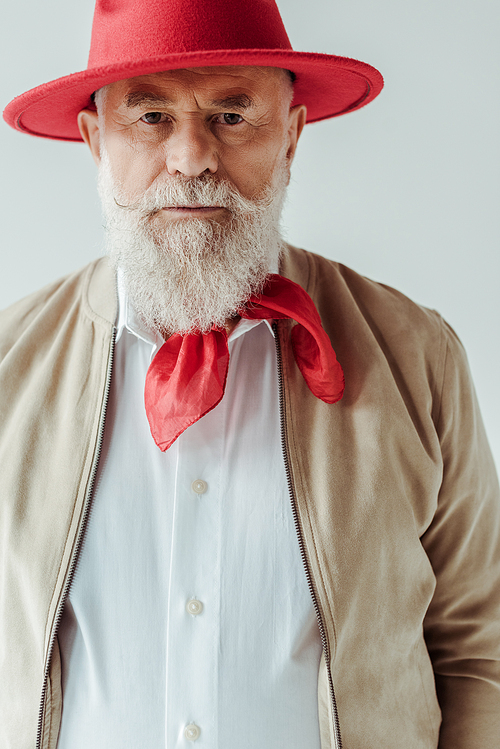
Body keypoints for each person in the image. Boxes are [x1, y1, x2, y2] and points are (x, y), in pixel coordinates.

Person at [1, 0, 499, 747]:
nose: (192, 157)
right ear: (94, 138)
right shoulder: (7, 367)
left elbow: (478, 647)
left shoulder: (417, 354)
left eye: (233, 116)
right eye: (151, 117)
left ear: (292, 136)